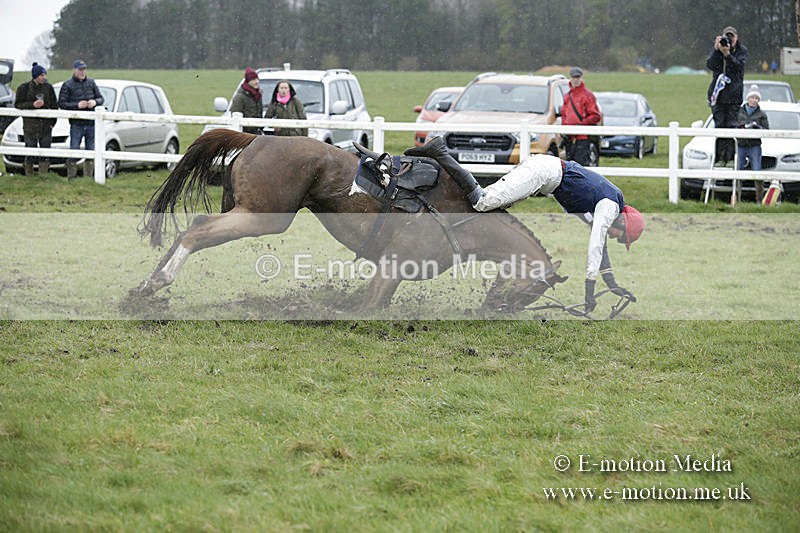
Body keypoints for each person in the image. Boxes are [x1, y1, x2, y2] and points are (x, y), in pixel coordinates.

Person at [406, 136, 645, 312]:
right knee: (482, 202)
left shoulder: (607, 203)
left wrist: (611, 283)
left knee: (492, 211)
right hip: (542, 173)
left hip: (544, 174)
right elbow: (596, 244)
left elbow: (600, 243)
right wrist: (589, 291)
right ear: (623, 222)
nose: (615, 238)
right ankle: (439, 151)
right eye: (620, 236)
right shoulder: (609, 206)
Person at [706, 26, 748, 166]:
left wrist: (728, 54)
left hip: (734, 96)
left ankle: (729, 158)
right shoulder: (718, 50)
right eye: (727, 37)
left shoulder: (741, 51)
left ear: (736, 38)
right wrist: (716, 50)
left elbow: (738, 67)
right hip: (718, 96)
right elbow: (711, 65)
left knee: (731, 126)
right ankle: (719, 158)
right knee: (719, 126)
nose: (729, 40)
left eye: (732, 37)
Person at [58, 59, 104, 179]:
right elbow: (62, 103)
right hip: (76, 124)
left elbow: (101, 98)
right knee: (74, 150)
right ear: (74, 70)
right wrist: (77, 105)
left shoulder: (91, 83)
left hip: (91, 124)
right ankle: (71, 178)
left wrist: (95, 102)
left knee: (91, 151)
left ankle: (88, 178)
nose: (82, 72)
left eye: (84, 69)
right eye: (80, 70)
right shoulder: (67, 85)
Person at [14, 62, 57, 176]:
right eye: (41, 75)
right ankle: (29, 176)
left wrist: (53, 122)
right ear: (35, 76)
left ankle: (43, 176)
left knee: (45, 152)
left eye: (44, 75)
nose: (43, 77)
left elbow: (54, 106)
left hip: (46, 126)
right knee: (30, 151)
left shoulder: (48, 88)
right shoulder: (24, 88)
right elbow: (18, 104)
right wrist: (33, 105)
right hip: (30, 126)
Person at [560, 66, 601, 166]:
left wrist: (580, 125)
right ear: (570, 78)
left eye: (578, 78)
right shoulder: (567, 96)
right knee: (569, 166)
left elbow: (595, 116)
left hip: (582, 138)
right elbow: (564, 115)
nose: (575, 80)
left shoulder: (588, 95)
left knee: (581, 166)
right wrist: (564, 130)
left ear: (581, 78)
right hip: (569, 138)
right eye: (574, 78)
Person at [736, 84, 769, 203]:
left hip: (755, 145)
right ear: (748, 98)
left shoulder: (762, 115)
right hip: (741, 145)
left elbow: (766, 130)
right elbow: (734, 125)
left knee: (757, 171)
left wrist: (757, 127)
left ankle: (759, 200)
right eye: (752, 97)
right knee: (738, 170)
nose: (754, 100)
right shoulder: (739, 112)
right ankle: (737, 198)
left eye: (756, 98)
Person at [230, 68, 264, 135]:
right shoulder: (239, 97)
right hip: (245, 133)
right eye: (253, 80)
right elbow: (235, 114)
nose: (256, 82)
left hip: (257, 132)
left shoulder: (258, 95)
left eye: (257, 79)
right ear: (248, 81)